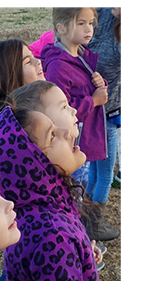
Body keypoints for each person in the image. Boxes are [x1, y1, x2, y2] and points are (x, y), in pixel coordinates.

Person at [0, 104, 101, 281]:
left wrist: (82, 255)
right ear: (33, 168)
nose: (67, 132)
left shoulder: (38, 211)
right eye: (52, 135)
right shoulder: (55, 238)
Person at [41, 8, 118, 241]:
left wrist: (99, 81)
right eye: (81, 23)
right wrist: (93, 100)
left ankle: (85, 232)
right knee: (74, 192)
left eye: (92, 23)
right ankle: (80, 236)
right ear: (61, 27)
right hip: (76, 141)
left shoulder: (82, 55)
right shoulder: (58, 65)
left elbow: (83, 85)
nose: (89, 29)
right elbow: (59, 109)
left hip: (87, 134)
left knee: (85, 186)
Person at [86, 8, 121, 228]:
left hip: (93, 112)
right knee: (106, 175)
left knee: (94, 170)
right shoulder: (112, 23)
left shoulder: (100, 17)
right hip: (106, 113)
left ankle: (84, 213)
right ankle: (94, 223)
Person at [0, 38, 45, 130]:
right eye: (28, 62)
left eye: (33, 56)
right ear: (9, 77)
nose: (38, 61)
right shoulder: (15, 123)